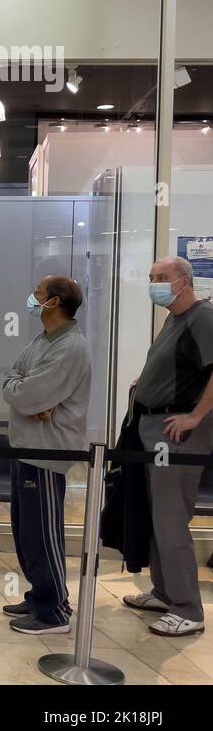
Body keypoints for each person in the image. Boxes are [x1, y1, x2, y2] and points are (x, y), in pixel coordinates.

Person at [122, 256, 213, 637]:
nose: (154, 282)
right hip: (153, 425)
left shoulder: (203, 316)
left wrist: (195, 416)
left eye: (161, 277)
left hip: (176, 431)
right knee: (157, 513)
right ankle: (165, 590)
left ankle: (188, 609)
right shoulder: (174, 319)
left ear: (184, 281)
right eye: (151, 276)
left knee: (171, 518)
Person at [0, 275, 91, 635]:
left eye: (38, 293)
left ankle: (55, 611)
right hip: (26, 446)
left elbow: (30, 394)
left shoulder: (69, 347)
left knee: (43, 534)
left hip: (47, 450)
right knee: (26, 532)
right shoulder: (44, 340)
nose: (32, 298)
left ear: (54, 302)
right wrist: (24, 394)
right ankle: (39, 594)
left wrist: (27, 396)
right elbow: (13, 380)